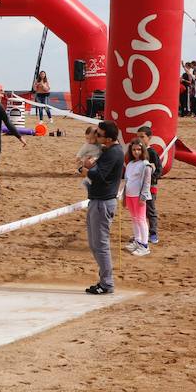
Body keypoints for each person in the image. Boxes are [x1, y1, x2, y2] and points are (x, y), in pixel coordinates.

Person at [78, 120, 124, 295]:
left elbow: (100, 176)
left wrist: (86, 170)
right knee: (94, 244)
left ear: (110, 138)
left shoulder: (113, 153)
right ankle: (104, 280)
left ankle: (107, 283)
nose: (96, 137)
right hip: (97, 201)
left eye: (99, 134)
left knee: (101, 245)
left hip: (102, 203)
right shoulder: (108, 151)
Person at [122, 139, 154, 257]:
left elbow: (147, 183)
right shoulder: (130, 164)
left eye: (139, 149)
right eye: (134, 149)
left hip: (138, 196)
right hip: (130, 195)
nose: (136, 152)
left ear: (143, 150)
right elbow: (127, 181)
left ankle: (144, 245)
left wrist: (143, 197)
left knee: (141, 219)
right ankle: (138, 240)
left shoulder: (145, 165)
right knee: (134, 218)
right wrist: (124, 196)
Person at [136, 126, 163, 245]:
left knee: (150, 211)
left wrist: (151, 179)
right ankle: (142, 233)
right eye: (138, 137)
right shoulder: (137, 152)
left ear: (149, 137)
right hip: (138, 187)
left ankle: (153, 233)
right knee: (140, 212)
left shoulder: (151, 152)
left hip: (150, 187)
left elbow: (159, 169)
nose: (140, 139)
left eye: (142, 137)